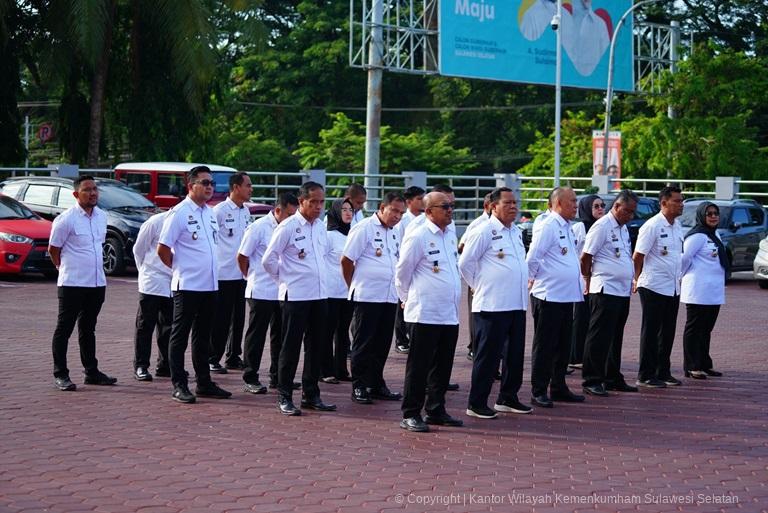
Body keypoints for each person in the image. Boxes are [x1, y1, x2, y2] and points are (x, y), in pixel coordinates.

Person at [158, 166, 232, 403]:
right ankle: (179, 384)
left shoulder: (209, 213)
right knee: (179, 336)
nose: (210, 187)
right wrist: (181, 269)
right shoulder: (178, 213)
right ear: (191, 186)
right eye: (205, 183)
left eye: (212, 183)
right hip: (188, 285)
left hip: (210, 286)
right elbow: (163, 249)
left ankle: (204, 382)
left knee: (203, 337)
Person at [262, 181, 337, 416]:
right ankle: (285, 395)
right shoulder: (288, 226)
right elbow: (269, 259)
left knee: (316, 346)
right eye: (313, 202)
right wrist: (284, 280)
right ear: (302, 201)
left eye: (321, 202)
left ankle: (311, 394)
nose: (317, 206)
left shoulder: (321, 227)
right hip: (295, 296)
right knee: (290, 347)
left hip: (319, 295)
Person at [459, 187, 530, 419]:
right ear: (493, 206)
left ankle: (508, 397)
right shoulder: (484, 231)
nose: (513, 207)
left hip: (516, 303)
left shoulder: (516, 232)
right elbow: (465, 263)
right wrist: (478, 286)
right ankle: (477, 402)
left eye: (514, 203)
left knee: (514, 354)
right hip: (492, 304)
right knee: (488, 357)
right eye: (507, 203)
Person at [395, 191, 464, 432]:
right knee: (419, 366)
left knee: (442, 365)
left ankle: (436, 409)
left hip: (448, 312)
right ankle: (411, 412)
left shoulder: (450, 233)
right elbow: (402, 272)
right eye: (444, 206)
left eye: (451, 206)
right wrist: (406, 299)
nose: (449, 210)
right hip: (424, 312)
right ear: (428, 211)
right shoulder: (419, 235)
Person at [48, 175, 117, 391]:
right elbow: (53, 249)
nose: (93, 193)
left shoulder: (102, 216)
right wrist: (62, 268)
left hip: (96, 282)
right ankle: (61, 374)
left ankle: (91, 371)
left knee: (88, 328)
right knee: (64, 329)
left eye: (95, 189)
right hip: (72, 283)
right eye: (87, 190)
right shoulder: (66, 219)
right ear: (76, 194)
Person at [342, 192, 405, 404]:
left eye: (401, 213)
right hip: (367, 295)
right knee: (363, 343)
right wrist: (354, 286)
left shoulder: (395, 232)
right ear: (382, 207)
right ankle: (359, 385)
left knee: (382, 343)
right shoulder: (364, 228)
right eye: (394, 211)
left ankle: (376, 383)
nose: (397, 216)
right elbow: (347, 260)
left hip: (388, 295)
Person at [526, 187, 585, 408]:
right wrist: (532, 280)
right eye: (572, 201)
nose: (576, 205)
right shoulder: (549, 225)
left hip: (566, 295)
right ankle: (538, 390)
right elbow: (533, 257)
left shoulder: (568, 227)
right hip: (549, 295)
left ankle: (558, 386)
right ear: (558, 203)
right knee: (545, 346)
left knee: (562, 345)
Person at [237, 192, 299, 394]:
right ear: (278, 210)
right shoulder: (259, 227)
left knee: (280, 335)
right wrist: (250, 276)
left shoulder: (292, 227)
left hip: (282, 289)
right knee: (257, 335)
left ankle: (278, 376)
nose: (292, 218)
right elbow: (242, 256)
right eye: (289, 214)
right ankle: (250, 376)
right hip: (261, 289)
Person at [581, 189, 639, 397]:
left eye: (633, 212)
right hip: (604, 289)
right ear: (616, 206)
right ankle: (592, 379)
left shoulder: (623, 228)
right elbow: (586, 257)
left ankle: (612, 377)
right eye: (627, 211)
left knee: (615, 336)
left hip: (621, 290)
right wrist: (587, 279)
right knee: (599, 336)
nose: (630, 216)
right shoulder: (602, 226)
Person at [633, 186, 684, 388]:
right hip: (653, 284)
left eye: (682, 201)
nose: (681, 205)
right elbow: (638, 256)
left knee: (668, 330)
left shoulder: (677, 226)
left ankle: (663, 371)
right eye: (677, 201)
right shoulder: (652, 226)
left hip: (672, 285)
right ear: (664, 203)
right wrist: (637, 279)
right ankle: (645, 374)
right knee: (651, 331)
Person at [209, 172, 253, 373]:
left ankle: (233, 356)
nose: (250, 189)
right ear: (236, 187)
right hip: (223, 273)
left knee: (238, 318)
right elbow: (210, 240)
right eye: (248, 185)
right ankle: (212, 357)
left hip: (241, 274)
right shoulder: (219, 211)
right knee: (221, 318)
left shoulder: (246, 212)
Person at [681, 202, 727, 380]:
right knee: (695, 328)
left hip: (713, 290)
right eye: (709, 214)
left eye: (716, 213)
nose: (714, 216)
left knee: (706, 329)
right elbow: (684, 258)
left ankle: (704, 363)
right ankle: (692, 366)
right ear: (702, 215)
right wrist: (683, 277)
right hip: (698, 290)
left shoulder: (715, 234)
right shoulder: (697, 236)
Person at [132, 210, 173, 381]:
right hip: (152, 280)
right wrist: (145, 272)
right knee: (145, 325)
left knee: (168, 326)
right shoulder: (155, 222)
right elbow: (138, 250)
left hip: (173, 281)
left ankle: (165, 365)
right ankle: (141, 365)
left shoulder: (185, 222)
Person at [569, 194, 605, 371]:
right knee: (581, 316)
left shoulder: (603, 226)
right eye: (596, 206)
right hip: (583, 276)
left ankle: (588, 353)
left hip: (598, 277)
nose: (600, 209)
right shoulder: (579, 227)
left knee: (593, 317)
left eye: (602, 205)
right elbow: (574, 251)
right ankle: (575, 355)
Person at [321, 198, 354, 384]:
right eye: (344, 209)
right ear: (335, 212)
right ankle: (325, 370)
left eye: (350, 209)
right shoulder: (329, 236)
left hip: (347, 291)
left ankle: (341, 369)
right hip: (331, 290)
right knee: (327, 332)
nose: (348, 212)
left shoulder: (352, 234)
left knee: (343, 333)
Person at [459, 193, 493, 362]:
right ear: (487, 206)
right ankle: (474, 347)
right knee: (476, 315)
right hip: (477, 278)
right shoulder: (479, 224)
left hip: (493, 283)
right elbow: (463, 247)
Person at [394, 185, 425, 354]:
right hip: (405, 264)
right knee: (402, 304)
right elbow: (399, 245)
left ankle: (411, 336)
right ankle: (401, 339)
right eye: (419, 199)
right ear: (409, 202)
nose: (423, 202)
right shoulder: (403, 221)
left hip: (419, 266)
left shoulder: (424, 219)